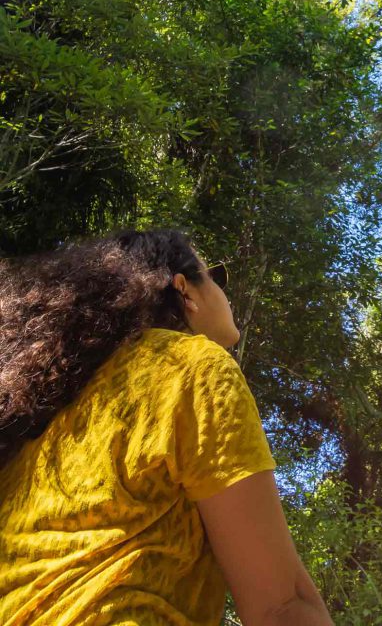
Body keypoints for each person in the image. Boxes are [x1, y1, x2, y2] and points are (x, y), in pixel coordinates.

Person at [0, 228, 335, 626]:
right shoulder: (192, 368)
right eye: (217, 276)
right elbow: (280, 609)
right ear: (184, 289)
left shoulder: (37, 417)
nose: (225, 291)